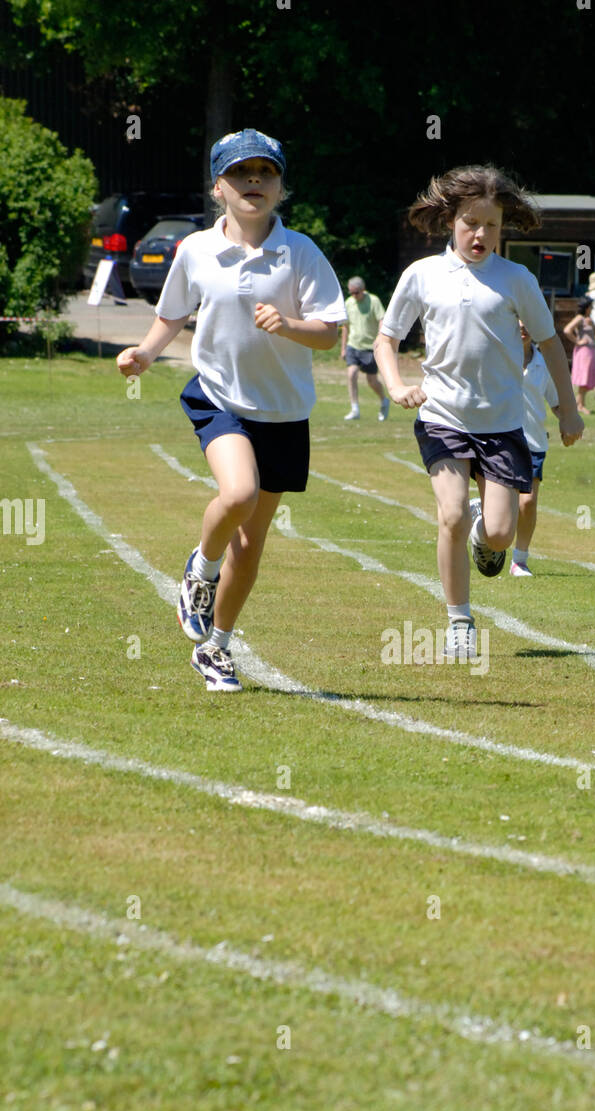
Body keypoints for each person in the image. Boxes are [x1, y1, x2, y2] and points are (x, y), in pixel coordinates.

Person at [116, 127, 344, 691]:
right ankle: (201, 566)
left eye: (265, 173)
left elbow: (329, 334)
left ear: (281, 186)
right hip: (220, 397)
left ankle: (216, 648)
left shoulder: (301, 252)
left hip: (284, 412)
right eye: (241, 172)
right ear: (218, 186)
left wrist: (290, 325)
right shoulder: (195, 250)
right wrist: (144, 353)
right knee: (237, 495)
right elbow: (172, 314)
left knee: (254, 538)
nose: (253, 182)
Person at [374, 164, 583, 659]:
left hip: (503, 424)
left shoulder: (516, 280)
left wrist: (568, 410)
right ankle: (459, 622)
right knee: (448, 514)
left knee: (500, 534)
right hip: (443, 417)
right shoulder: (422, 275)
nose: (481, 234)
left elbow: (552, 346)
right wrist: (397, 384)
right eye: (471, 222)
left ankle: (481, 526)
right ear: (451, 221)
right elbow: (386, 340)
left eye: (491, 224)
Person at [503, 320, 560, 576]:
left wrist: (568, 420)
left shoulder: (544, 363)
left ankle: (520, 559)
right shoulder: (499, 356)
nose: (523, 329)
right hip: (500, 438)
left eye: (528, 324)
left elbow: (556, 401)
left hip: (534, 441)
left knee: (527, 503)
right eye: (519, 325)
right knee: (503, 505)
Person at [340, 276, 390, 421]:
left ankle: (383, 400)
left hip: (369, 348)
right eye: (351, 292)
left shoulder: (373, 300)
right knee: (352, 374)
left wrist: (380, 338)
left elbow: (382, 318)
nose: (354, 295)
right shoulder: (348, 303)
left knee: (372, 381)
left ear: (363, 290)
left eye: (356, 292)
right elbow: (345, 326)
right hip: (353, 345)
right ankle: (354, 408)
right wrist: (343, 348)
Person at [562, 295, 595, 413]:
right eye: (591, 307)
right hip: (584, 351)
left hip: (590, 350)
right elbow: (567, 330)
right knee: (584, 378)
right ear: (587, 307)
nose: (592, 309)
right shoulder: (580, 318)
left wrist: (592, 325)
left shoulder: (588, 319)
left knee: (587, 378)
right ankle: (580, 405)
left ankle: (579, 403)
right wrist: (578, 341)